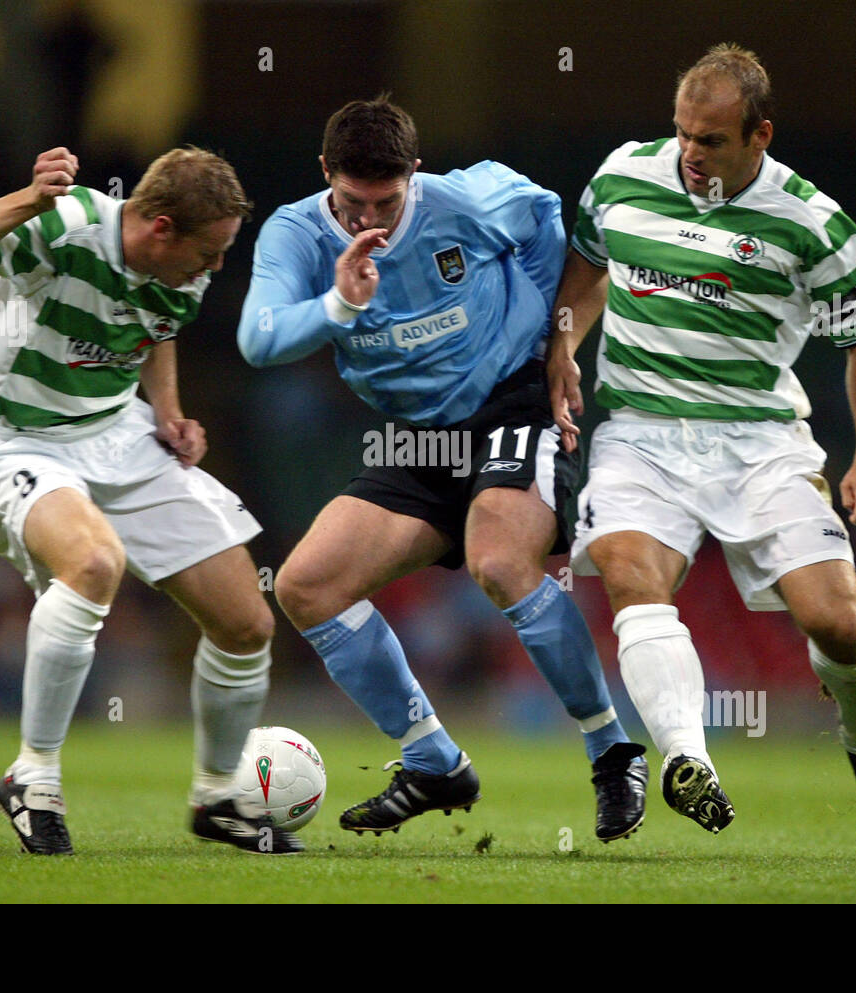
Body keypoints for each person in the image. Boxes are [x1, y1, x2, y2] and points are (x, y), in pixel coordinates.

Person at [237, 96, 648, 841]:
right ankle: (432, 758)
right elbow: (259, 340)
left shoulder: (471, 198)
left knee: (499, 559)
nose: (371, 221)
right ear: (324, 172)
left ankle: (611, 749)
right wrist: (336, 302)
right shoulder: (296, 235)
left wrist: (554, 344)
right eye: (354, 201)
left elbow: (556, 230)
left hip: (510, 407)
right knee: (305, 586)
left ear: (416, 175)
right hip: (418, 436)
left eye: (388, 202)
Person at [548, 44, 856, 842]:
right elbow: (587, 266)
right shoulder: (621, 178)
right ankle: (688, 759)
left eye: (711, 140)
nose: (691, 154)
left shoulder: (813, 221)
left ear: (761, 136)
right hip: (641, 434)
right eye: (683, 133)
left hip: (761, 444)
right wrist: (563, 345)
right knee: (629, 575)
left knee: (837, 623)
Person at [0, 146, 302, 854]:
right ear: (160, 227)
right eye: (210, 252)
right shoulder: (64, 225)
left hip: (118, 436)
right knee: (95, 564)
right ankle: (32, 775)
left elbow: (156, 328)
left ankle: (217, 794)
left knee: (247, 620)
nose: (216, 268)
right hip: (16, 442)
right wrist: (27, 200)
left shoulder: (180, 266)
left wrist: (169, 410)